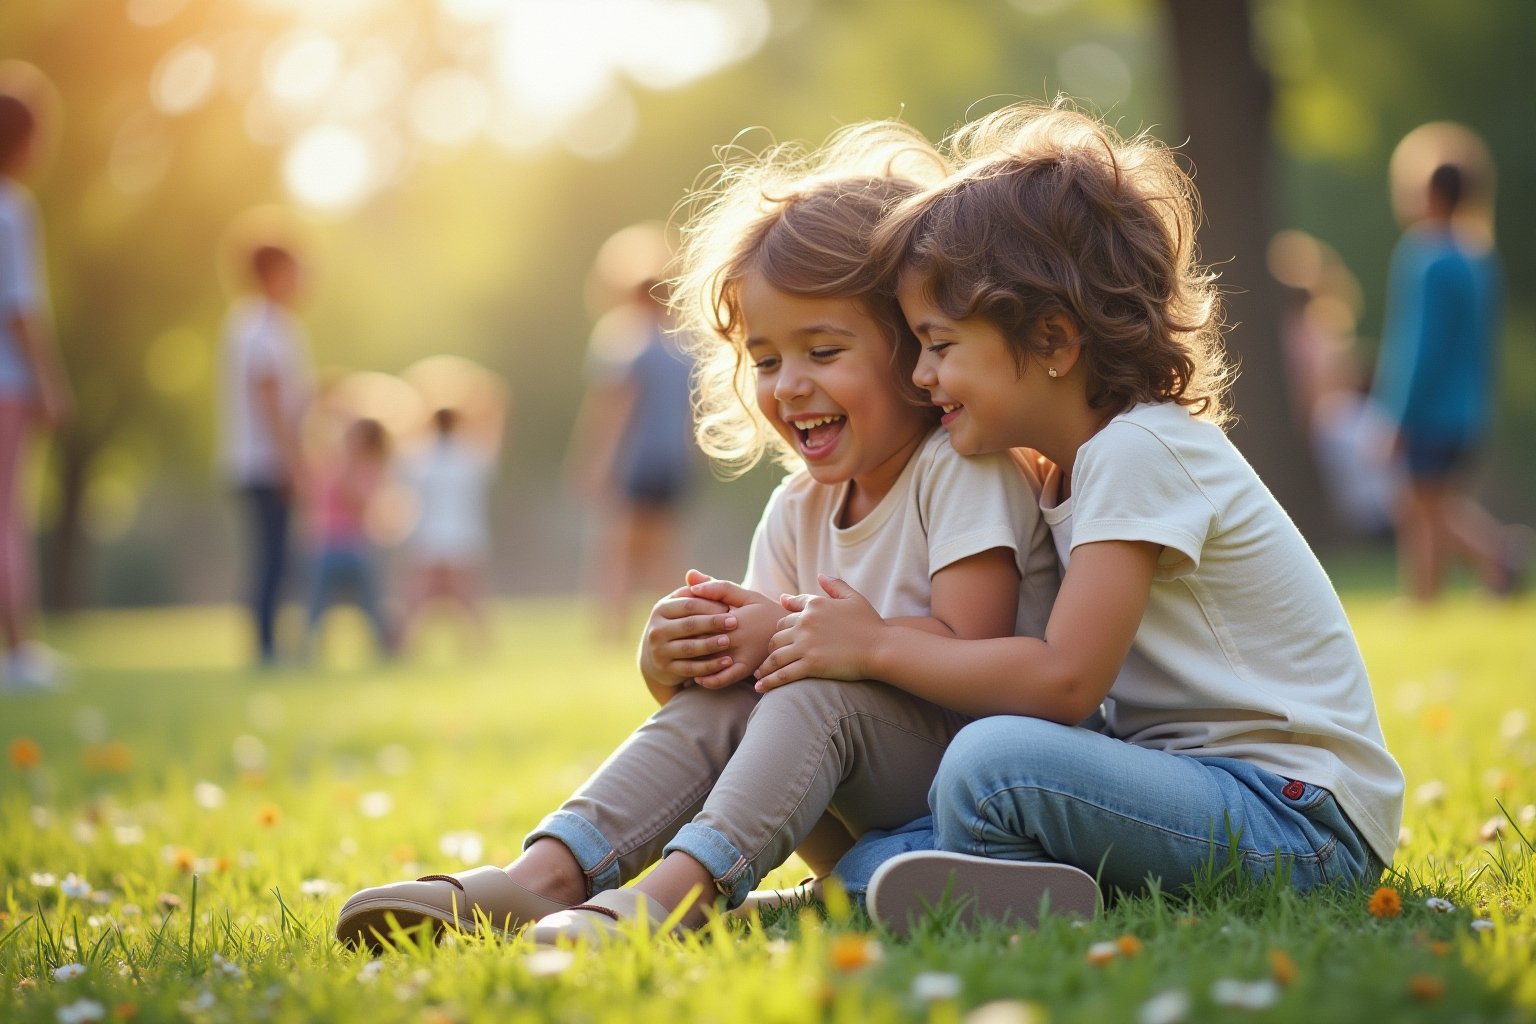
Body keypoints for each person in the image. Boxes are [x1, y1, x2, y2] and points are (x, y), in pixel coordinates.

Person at [335, 122, 1061, 949]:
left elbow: (980, 649)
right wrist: (682, 662)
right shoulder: (798, 508)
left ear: (916, 351)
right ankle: (547, 874)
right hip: (861, 797)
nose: (790, 386)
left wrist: (813, 640)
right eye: (764, 360)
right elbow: (753, 698)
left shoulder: (961, 471)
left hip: (970, 781)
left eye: (822, 350)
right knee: (741, 689)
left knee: (813, 687)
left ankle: (679, 894)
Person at [742, 102, 1404, 933]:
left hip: (1298, 820)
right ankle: (936, 889)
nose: (918, 376)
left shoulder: (1141, 451)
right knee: (892, 848)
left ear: (1053, 339)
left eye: (939, 345)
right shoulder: (1065, 472)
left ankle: (919, 887)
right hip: (1190, 794)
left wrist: (874, 642)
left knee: (991, 761)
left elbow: (1064, 682)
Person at [1372, 152, 1521, 600]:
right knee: (1433, 505)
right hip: (1468, 408)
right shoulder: (1478, 257)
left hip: (1430, 409)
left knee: (1419, 507)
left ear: (1434, 194)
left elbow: (1418, 347)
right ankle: (1452, 586)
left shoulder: (1427, 256)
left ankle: (1489, 563)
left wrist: (1397, 414)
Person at [564, 223, 699, 643]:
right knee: (661, 550)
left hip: (634, 462)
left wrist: (595, 463)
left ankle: (612, 635)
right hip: (672, 461)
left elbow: (614, 409)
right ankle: (690, 621)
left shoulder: (625, 341)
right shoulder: (684, 344)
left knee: (617, 550)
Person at [0, 73, 71, 693]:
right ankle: (20, 653)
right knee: (7, 516)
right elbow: (20, 310)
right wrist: (51, 384)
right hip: (8, 383)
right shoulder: (12, 208)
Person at [218, 238, 312, 667]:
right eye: (296, 270)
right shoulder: (264, 327)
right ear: (273, 273)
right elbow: (271, 400)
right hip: (263, 461)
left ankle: (270, 644)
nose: (303, 280)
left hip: (255, 458)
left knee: (273, 554)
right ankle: (266, 648)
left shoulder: (253, 324)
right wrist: (292, 463)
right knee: (273, 556)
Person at [397, 403, 502, 654]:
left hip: (430, 534)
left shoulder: (419, 457)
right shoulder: (470, 455)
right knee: (467, 599)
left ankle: (407, 649)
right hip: (462, 535)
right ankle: (479, 648)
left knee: (419, 599)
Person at [303, 415, 394, 660]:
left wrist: (349, 473)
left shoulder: (368, 470)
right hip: (327, 547)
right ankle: (308, 652)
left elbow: (361, 505)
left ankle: (383, 650)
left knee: (371, 604)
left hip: (355, 548)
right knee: (317, 606)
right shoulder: (331, 465)